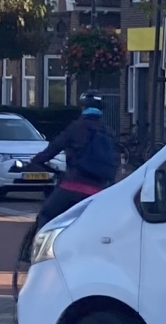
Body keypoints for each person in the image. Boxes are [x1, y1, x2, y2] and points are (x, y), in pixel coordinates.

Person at [20, 99, 121, 261]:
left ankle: (35, 256)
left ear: (83, 108)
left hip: (72, 185)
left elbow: (52, 149)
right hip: (98, 191)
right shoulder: (108, 131)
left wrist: (36, 162)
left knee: (47, 214)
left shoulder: (76, 127)